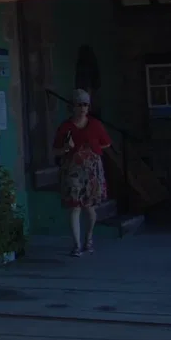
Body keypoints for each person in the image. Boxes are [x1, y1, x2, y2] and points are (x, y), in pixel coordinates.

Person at [54, 89, 112, 256]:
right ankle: (77, 244)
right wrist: (66, 148)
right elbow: (55, 150)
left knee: (90, 207)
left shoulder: (95, 124)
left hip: (91, 170)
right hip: (73, 169)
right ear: (72, 106)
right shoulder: (65, 127)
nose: (82, 108)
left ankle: (89, 238)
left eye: (85, 104)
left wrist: (93, 150)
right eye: (79, 104)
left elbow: (106, 143)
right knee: (75, 207)